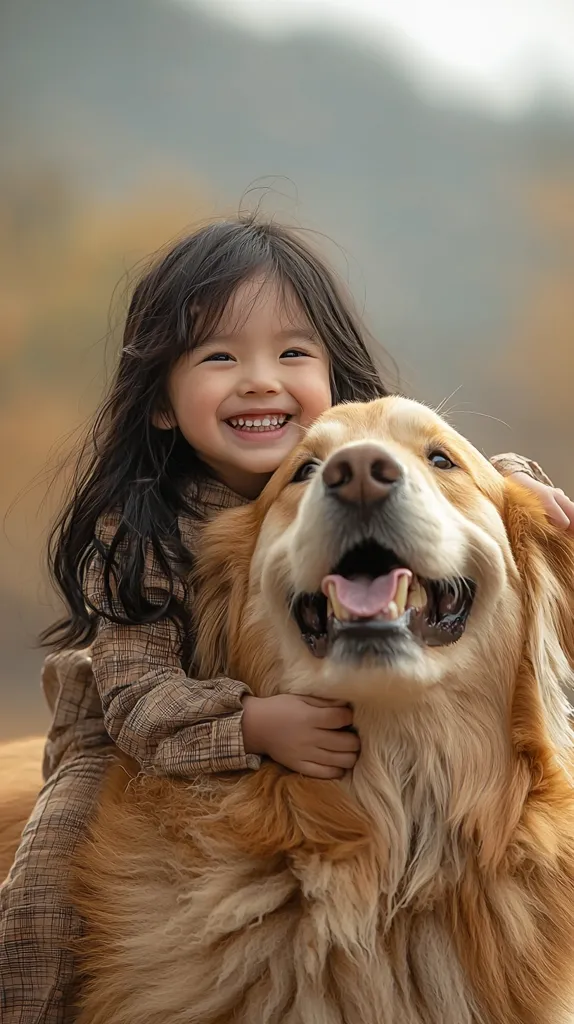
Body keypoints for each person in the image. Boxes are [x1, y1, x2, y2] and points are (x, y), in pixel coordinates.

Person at [1, 218, 572, 1024]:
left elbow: (449, 489)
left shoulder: (360, 460)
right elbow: (136, 706)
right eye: (219, 357)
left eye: (292, 354)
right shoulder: (141, 534)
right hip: (123, 732)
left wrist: (515, 484)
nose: (259, 380)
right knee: (41, 896)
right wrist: (253, 724)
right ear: (161, 404)